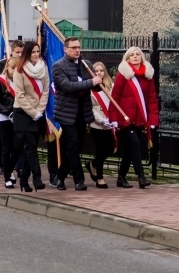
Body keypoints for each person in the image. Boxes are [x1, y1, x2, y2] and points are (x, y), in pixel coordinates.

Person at [52, 36, 102, 191]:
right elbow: (68, 86)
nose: (77, 50)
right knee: (73, 144)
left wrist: (99, 82)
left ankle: (59, 177)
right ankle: (78, 180)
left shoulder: (86, 64)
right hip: (67, 113)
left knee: (76, 147)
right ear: (65, 49)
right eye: (73, 48)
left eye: (79, 47)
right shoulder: (58, 66)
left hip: (83, 112)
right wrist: (91, 82)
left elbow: (95, 88)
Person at [108, 47, 159, 189]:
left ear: (142, 57)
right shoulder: (122, 75)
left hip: (140, 119)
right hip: (125, 118)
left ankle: (121, 177)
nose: (135, 57)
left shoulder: (148, 76)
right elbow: (115, 97)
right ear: (127, 58)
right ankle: (141, 177)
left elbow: (152, 100)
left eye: (138, 54)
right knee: (135, 144)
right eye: (132, 55)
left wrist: (153, 120)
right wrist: (113, 117)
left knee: (131, 150)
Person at [12, 42, 49, 191]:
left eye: (37, 51)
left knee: (31, 147)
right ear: (27, 53)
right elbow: (20, 95)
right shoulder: (19, 70)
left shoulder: (43, 67)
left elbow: (46, 90)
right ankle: (37, 176)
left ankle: (24, 179)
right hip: (23, 112)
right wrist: (33, 112)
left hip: (38, 112)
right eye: (33, 52)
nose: (36, 54)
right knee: (31, 145)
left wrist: (40, 110)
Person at [86, 62, 115, 189]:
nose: (99, 73)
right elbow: (89, 108)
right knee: (100, 149)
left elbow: (114, 103)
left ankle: (93, 164)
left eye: (101, 70)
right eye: (96, 71)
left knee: (110, 148)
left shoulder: (110, 85)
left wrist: (112, 119)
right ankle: (100, 178)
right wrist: (101, 120)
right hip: (97, 123)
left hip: (110, 123)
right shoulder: (89, 87)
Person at [0, 57, 19, 189]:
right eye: (13, 68)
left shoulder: (21, 81)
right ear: (8, 67)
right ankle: (7, 177)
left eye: (17, 68)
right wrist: (7, 112)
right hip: (4, 117)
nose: (15, 71)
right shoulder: (0, 81)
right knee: (6, 148)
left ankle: (9, 168)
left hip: (17, 117)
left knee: (17, 146)